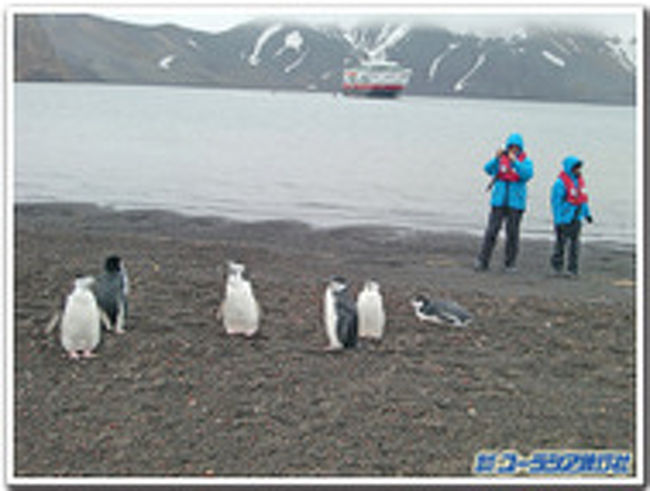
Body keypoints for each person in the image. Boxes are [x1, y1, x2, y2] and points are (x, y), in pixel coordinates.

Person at [475, 133, 534, 272]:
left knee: (512, 234)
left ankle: (510, 264)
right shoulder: (501, 159)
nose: (513, 149)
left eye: (516, 147)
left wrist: (515, 162)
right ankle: (483, 261)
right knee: (492, 231)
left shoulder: (525, 161)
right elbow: (487, 169)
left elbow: (527, 174)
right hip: (499, 202)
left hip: (516, 204)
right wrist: (496, 158)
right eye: (511, 147)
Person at [550, 156, 593, 277]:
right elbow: (556, 203)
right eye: (575, 168)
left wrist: (587, 214)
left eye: (579, 168)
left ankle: (572, 269)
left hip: (576, 217)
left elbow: (583, 200)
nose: (578, 170)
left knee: (575, 244)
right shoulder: (560, 183)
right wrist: (558, 219)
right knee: (561, 243)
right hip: (564, 218)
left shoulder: (580, 182)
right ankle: (557, 267)